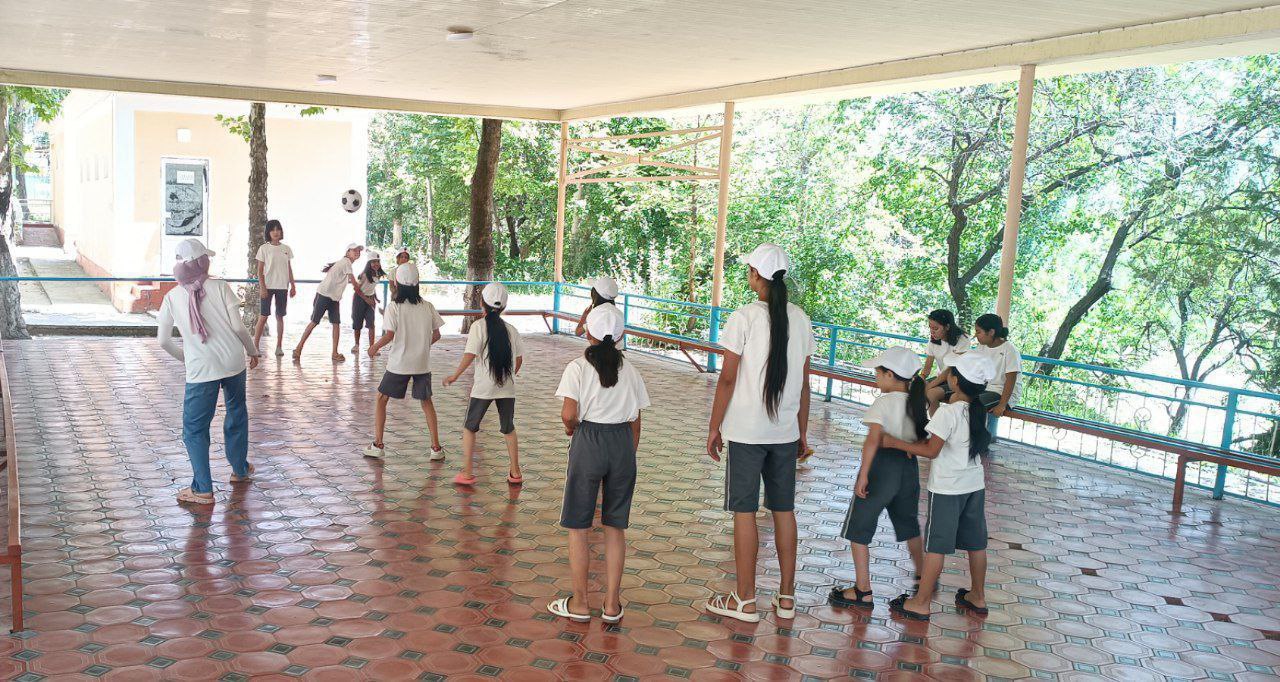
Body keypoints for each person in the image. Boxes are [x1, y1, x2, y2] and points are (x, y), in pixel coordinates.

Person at [704, 244, 815, 623]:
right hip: (784, 433)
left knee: (744, 512)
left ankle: (745, 600)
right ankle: (786, 598)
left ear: (756, 276)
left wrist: (714, 426)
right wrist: (802, 432)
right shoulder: (800, 319)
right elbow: (804, 385)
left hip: (747, 433)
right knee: (784, 511)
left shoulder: (745, 317)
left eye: (749, 269)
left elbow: (728, 378)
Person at [548, 304, 649, 623]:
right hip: (621, 444)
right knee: (615, 527)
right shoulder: (631, 370)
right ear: (621, 336)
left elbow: (568, 413)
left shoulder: (577, 367)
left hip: (589, 440)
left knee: (579, 526)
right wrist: (627, 453)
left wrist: (572, 429)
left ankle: (579, 603)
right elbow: (637, 420)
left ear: (588, 332)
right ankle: (611, 605)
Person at [881, 353, 996, 621]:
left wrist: (895, 443)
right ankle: (977, 596)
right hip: (973, 485)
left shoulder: (950, 412)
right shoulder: (976, 410)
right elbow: (942, 436)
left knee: (936, 546)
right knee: (976, 544)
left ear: (954, 380)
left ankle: (921, 602)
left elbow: (932, 450)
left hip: (947, 489)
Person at [157, 239, 260, 505]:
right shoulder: (221, 286)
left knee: (194, 429)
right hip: (233, 363)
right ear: (203, 262)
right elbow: (238, 328)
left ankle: (202, 488)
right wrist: (253, 351)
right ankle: (239, 470)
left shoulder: (171, 297)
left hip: (201, 370)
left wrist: (188, 358)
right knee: (237, 412)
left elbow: (163, 341)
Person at [828, 346, 926, 609]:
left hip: (882, 468)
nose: (876, 377)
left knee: (858, 529)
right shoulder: (917, 402)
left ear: (891, 375)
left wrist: (862, 475)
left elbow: (872, 441)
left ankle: (863, 590)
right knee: (908, 525)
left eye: (878, 373)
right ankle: (923, 577)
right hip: (908, 467)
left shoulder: (883, 402)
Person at [443, 282, 525, 486]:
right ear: (503, 307)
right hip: (507, 388)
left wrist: (455, 375)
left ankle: (468, 472)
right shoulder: (511, 330)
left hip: (482, 388)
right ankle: (515, 472)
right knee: (508, 428)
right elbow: (519, 360)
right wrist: (509, 376)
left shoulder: (478, 327)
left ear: (482, 303)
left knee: (470, 427)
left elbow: (470, 355)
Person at [363, 263, 447, 461]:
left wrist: (374, 347)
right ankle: (436, 448)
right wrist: (422, 346)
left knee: (382, 399)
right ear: (417, 283)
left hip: (399, 364)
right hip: (421, 364)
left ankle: (378, 444)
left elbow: (390, 335)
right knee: (427, 403)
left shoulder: (394, 308)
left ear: (396, 284)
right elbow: (437, 334)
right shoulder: (427, 306)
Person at [294, 243, 363, 362]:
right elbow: (355, 284)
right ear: (348, 252)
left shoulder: (344, 263)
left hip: (333, 297)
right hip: (325, 295)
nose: (357, 252)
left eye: (359, 250)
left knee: (335, 324)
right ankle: (299, 347)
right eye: (354, 250)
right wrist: (365, 294)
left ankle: (334, 352)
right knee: (315, 322)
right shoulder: (346, 262)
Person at [252, 219, 296, 357]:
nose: (276, 232)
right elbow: (259, 270)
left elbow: (289, 269)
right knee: (263, 317)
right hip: (268, 287)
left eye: (278, 229)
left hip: (282, 287)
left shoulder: (286, 249)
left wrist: (293, 285)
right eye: (273, 230)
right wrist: (262, 287)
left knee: (280, 317)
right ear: (268, 232)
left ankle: (279, 347)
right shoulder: (263, 248)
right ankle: (255, 347)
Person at [971, 313, 1021, 416]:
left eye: (978, 332)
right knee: (960, 400)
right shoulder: (982, 347)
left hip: (1003, 394)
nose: (975, 335)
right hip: (987, 388)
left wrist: (1002, 405)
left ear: (991, 332)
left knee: (973, 405)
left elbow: (1011, 380)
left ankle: (979, 432)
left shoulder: (1010, 350)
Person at [922, 309, 969, 413]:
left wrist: (929, 385)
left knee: (931, 393)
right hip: (942, 378)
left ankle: (936, 427)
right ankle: (930, 425)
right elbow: (927, 367)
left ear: (947, 327)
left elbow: (949, 370)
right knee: (914, 388)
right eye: (930, 327)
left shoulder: (962, 339)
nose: (932, 332)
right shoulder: (933, 340)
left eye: (935, 328)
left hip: (957, 381)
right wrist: (921, 379)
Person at [350, 254, 384, 355]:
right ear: (369, 263)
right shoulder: (364, 275)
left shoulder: (378, 274)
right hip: (359, 299)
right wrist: (366, 299)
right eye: (373, 262)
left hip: (370, 300)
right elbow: (356, 289)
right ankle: (356, 345)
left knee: (371, 324)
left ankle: (372, 347)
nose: (376, 264)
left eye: (377, 262)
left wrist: (375, 298)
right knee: (357, 323)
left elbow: (372, 287)